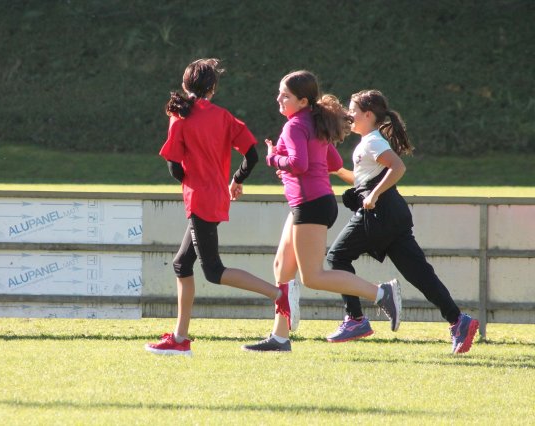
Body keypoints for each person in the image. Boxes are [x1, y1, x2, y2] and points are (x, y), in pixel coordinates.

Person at [144, 58, 299, 356]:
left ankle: (279, 294)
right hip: (216, 197)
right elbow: (252, 155)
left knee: (213, 271)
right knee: (181, 264)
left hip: (200, 200)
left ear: (185, 84)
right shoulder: (223, 116)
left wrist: (190, 178)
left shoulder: (180, 115)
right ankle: (180, 338)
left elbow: (173, 165)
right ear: (212, 89)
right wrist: (236, 179)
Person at [242, 71, 401, 352]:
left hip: (310, 204)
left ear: (303, 101)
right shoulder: (313, 121)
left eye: (285, 96)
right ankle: (280, 337)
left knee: (312, 277)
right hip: (311, 202)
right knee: (282, 267)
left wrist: (274, 158)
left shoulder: (294, 126)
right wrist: (291, 167)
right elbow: (332, 162)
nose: (279, 99)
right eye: (280, 93)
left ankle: (381, 293)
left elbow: (299, 164)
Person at [325, 89, 479, 354]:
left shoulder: (372, 141)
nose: (349, 115)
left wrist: (374, 194)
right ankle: (458, 320)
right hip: (392, 214)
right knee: (420, 274)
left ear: (368, 115)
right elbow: (363, 179)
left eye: (353, 110)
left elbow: (398, 167)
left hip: (379, 214)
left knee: (336, 257)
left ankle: (355, 319)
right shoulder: (369, 142)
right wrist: (337, 170)